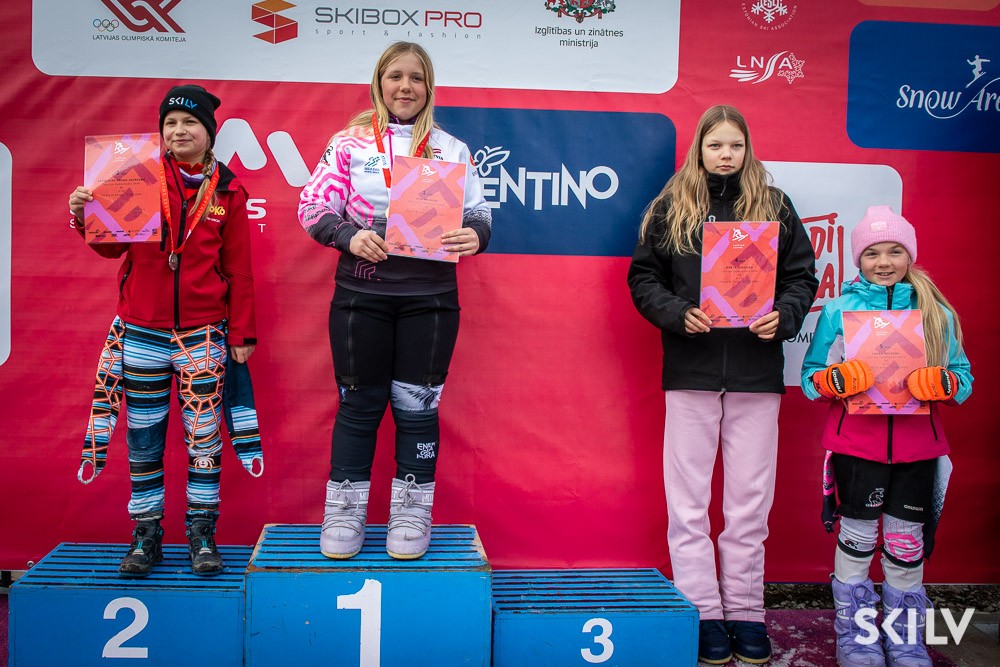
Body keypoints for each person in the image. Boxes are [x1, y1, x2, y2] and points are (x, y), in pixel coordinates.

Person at [627, 104, 818, 665]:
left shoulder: (775, 206)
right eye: (716, 146)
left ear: (747, 149)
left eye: (735, 145)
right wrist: (676, 312)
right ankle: (702, 610)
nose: (726, 155)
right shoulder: (671, 206)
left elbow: (801, 277)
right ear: (699, 150)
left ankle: (746, 611)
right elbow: (643, 277)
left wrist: (784, 316)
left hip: (757, 374)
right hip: (691, 369)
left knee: (749, 504)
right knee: (688, 502)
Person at [297, 42, 491, 560]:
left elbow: (479, 213)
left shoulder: (451, 148)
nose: (405, 86)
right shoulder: (348, 143)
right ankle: (344, 510)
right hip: (362, 295)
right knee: (358, 405)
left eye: (416, 78)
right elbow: (312, 205)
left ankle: (411, 510)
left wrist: (476, 235)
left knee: (418, 407)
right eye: (395, 76)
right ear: (379, 82)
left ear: (429, 87)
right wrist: (347, 235)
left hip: (431, 299)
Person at [68, 84, 257, 577]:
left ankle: (202, 533)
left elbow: (239, 269)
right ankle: (146, 533)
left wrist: (241, 333)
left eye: (189, 122)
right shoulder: (135, 176)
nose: (178, 131)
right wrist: (84, 215)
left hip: (204, 334)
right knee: (144, 437)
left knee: (204, 439)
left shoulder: (228, 189)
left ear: (209, 132)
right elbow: (111, 247)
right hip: (141, 331)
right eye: (170, 123)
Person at [800, 205, 972, 667]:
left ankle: (905, 639)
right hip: (857, 447)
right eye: (872, 252)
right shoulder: (838, 310)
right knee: (856, 539)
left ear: (910, 255)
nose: (884, 262)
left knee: (905, 544)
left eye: (895, 251)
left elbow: (963, 378)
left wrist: (945, 383)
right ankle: (857, 639)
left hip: (918, 449)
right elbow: (811, 376)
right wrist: (834, 380)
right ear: (858, 258)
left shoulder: (935, 312)